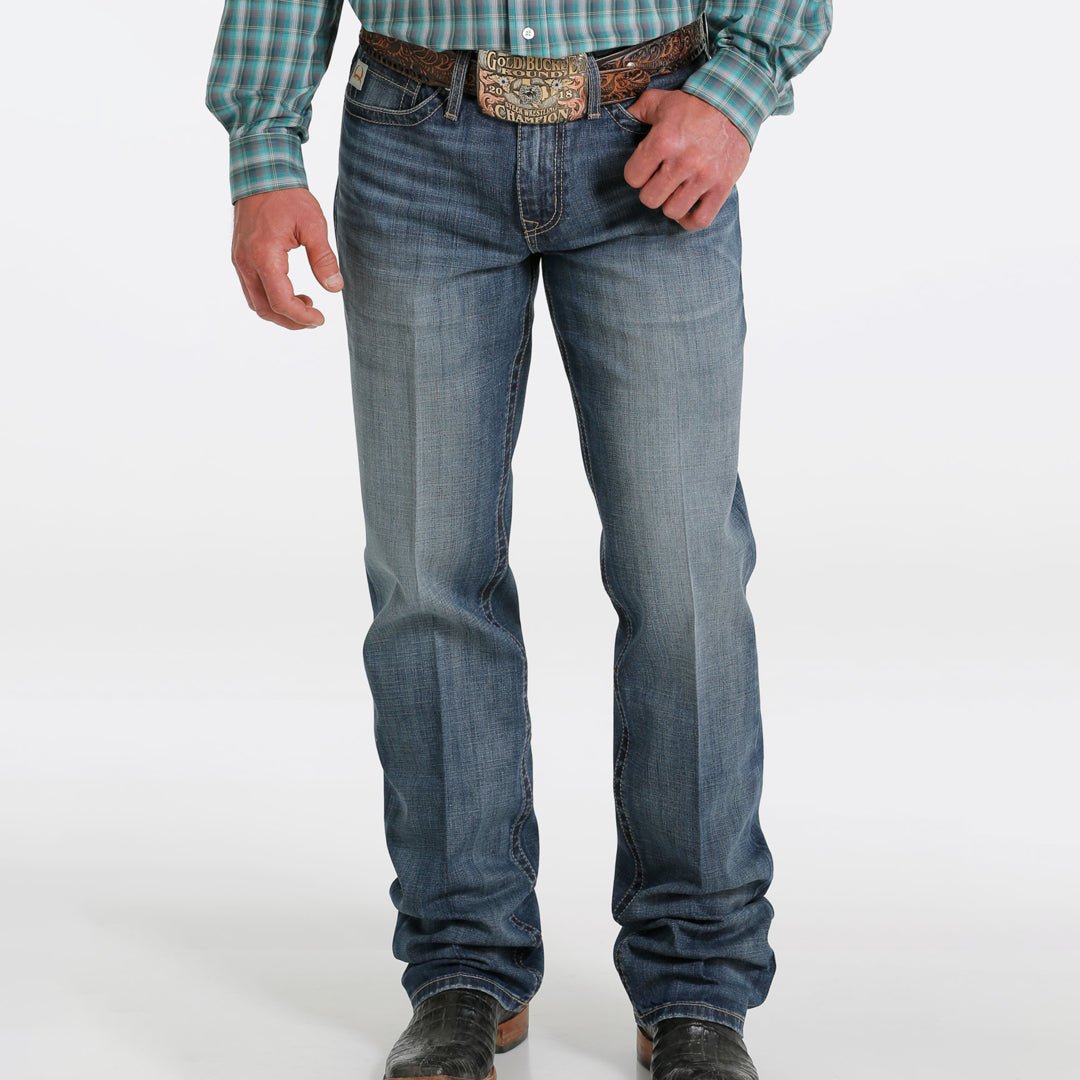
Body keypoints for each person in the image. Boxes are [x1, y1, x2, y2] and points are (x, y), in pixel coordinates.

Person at [206, 4, 831, 1078]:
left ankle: (696, 981)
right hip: (415, 143)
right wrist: (263, 149)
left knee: (685, 576)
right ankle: (463, 968)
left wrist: (737, 92)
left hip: (650, 126)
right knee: (429, 578)